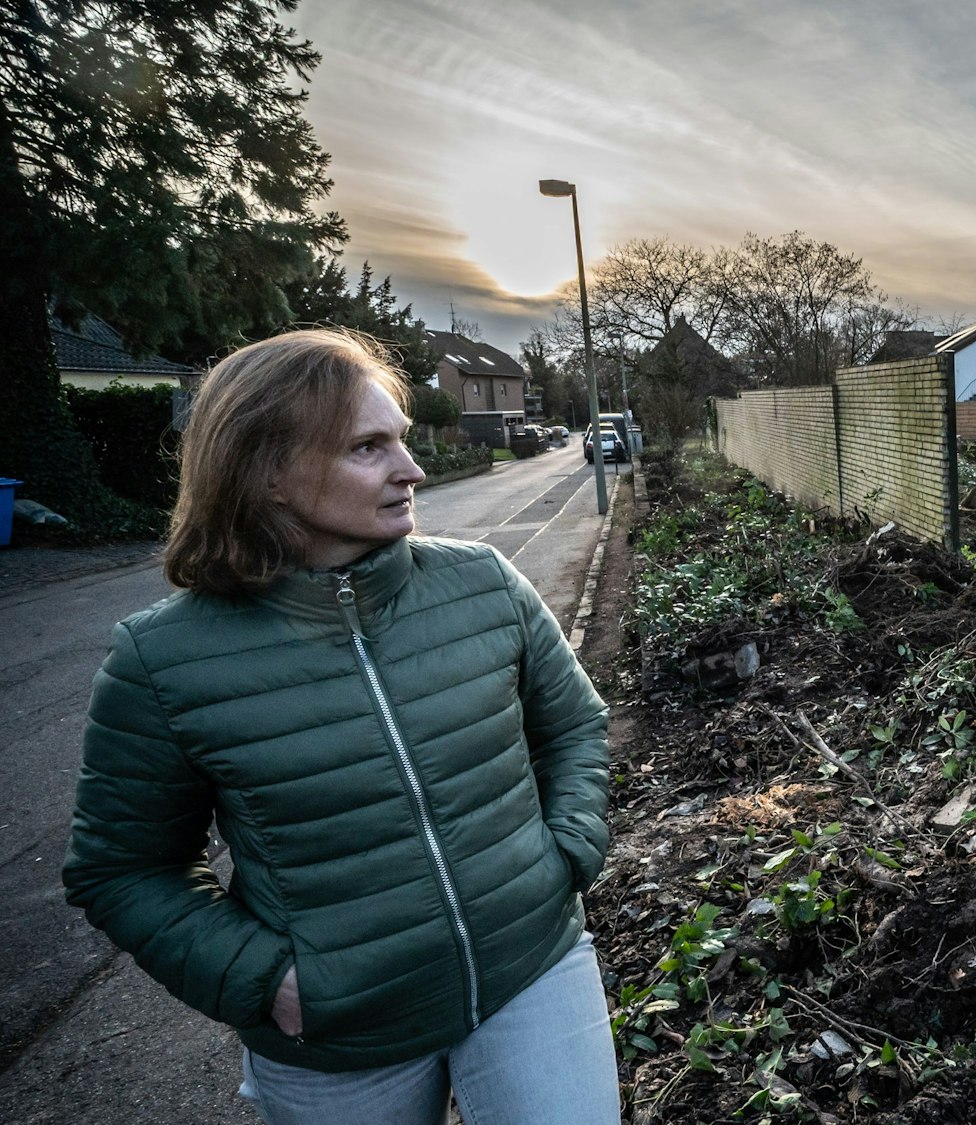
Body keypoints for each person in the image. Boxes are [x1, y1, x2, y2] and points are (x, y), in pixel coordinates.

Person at [62, 329, 620, 1124]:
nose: (413, 469)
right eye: (369, 447)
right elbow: (120, 870)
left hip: (532, 968)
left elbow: (574, 728)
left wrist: (565, 854)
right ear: (268, 472)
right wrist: (265, 978)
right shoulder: (160, 657)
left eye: (402, 438)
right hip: (342, 1040)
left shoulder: (484, 584)